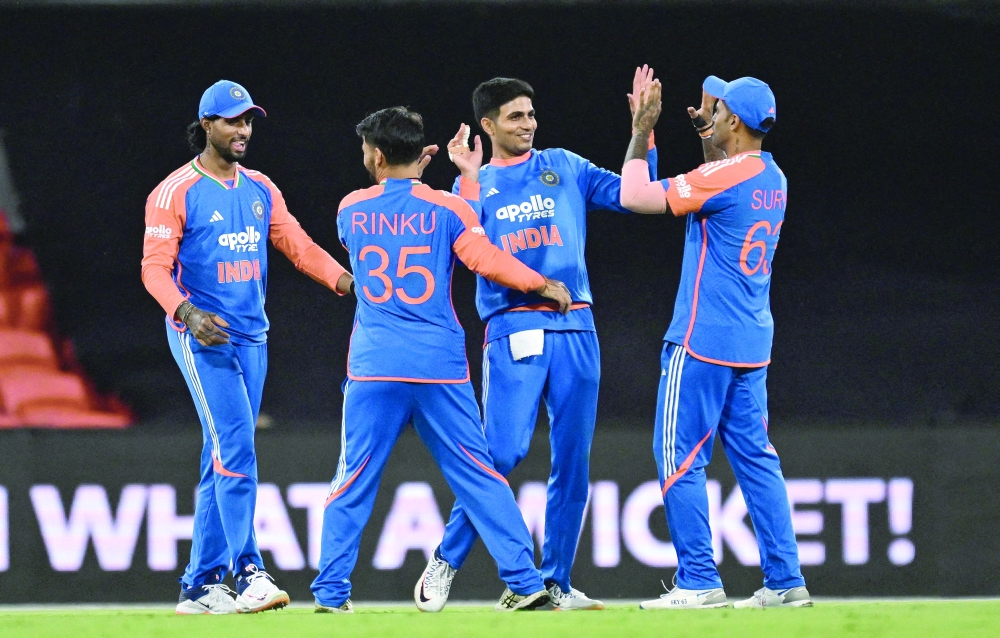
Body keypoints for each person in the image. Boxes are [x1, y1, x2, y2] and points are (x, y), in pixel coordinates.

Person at [310, 106, 573, 614]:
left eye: (367, 150)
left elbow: (390, 217)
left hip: (374, 366)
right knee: (478, 476)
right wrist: (540, 283)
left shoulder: (348, 209)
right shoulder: (450, 208)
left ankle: (331, 594)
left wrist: (413, 184)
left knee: (353, 480)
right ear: (418, 154)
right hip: (438, 367)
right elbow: (484, 258)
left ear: (378, 155)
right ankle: (524, 580)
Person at [416, 68, 660, 612]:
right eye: (515, 116)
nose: (528, 123)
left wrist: (643, 130)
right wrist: (469, 176)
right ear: (488, 124)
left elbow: (631, 195)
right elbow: (467, 245)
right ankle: (447, 559)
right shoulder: (470, 187)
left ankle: (554, 581)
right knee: (502, 452)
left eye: (530, 114)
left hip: (578, 325)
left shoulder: (563, 165)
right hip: (514, 325)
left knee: (573, 461)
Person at [141, 80, 354, 615]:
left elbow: (298, 246)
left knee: (223, 458)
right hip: (201, 336)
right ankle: (250, 571)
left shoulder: (261, 188)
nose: (244, 131)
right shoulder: (175, 192)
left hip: (252, 338)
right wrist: (187, 312)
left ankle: (198, 585)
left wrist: (347, 282)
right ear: (207, 124)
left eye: (249, 121)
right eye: (233, 121)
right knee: (236, 447)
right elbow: (153, 270)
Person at [619, 73, 811, 609]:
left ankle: (699, 580)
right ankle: (785, 581)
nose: (713, 108)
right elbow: (720, 173)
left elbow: (634, 196)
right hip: (751, 340)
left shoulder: (727, 176)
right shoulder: (774, 175)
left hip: (702, 338)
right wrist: (709, 134)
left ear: (735, 120)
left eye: (720, 106)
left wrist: (642, 131)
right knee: (756, 458)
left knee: (678, 458)